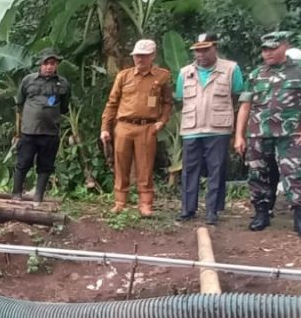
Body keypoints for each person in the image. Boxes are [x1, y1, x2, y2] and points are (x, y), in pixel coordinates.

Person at [234, 32, 301, 239]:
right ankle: (261, 214)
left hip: (290, 133)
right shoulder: (256, 74)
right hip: (259, 132)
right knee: (257, 173)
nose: (268, 53)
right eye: (265, 49)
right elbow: (245, 106)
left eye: (273, 48)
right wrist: (239, 136)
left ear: (285, 46)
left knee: (294, 173)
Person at [174, 33, 245, 224]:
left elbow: (238, 96)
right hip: (191, 128)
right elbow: (181, 98)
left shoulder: (231, 69)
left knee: (217, 169)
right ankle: (187, 209)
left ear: (215, 47)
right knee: (189, 170)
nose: (201, 54)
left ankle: (212, 211)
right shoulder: (184, 72)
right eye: (197, 50)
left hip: (218, 128)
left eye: (205, 49)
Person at [99, 39, 173, 215]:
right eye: (137, 56)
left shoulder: (162, 76)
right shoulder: (124, 76)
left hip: (147, 127)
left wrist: (161, 122)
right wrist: (105, 128)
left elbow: (168, 102)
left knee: (145, 166)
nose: (139, 60)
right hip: (124, 126)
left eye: (144, 56)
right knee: (121, 165)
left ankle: (145, 203)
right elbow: (112, 103)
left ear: (152, 56)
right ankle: (120, 201)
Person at [13, 49, 70, 205]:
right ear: (40, 64)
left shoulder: (63, 83)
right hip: (29, 131)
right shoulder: (28, 80)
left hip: (50, 132)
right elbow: (20, 102)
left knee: (45, 166)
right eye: (46, 63)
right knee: (23, 162)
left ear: (56, 65)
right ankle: (16, 193)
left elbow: (64, 106)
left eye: (52, 63)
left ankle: (38, 196)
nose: (49, 67)